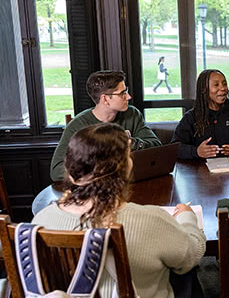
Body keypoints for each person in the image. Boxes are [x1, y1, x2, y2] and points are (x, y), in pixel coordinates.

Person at [34, 123, 206, 298]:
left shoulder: (41, 221)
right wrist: (187, 218)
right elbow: (190, 256)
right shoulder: (150, 220)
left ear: (70, 172)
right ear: (126, 168)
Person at [50, 70, 161, 182]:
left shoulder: (132, 114)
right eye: (122, 93)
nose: (128, 97)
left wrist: (129, 142)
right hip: (95, 191)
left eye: (126, 91)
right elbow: (56, 171)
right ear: (105, 99)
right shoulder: (77, 125)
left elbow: (157, 147)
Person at [171, 69, 229, 159]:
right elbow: (175, 148)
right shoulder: (191, 117)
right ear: (204, 89)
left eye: (224, 84)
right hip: (202, 172)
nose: (223, 88)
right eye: (216, 85)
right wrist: (196, 152)